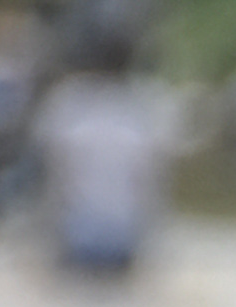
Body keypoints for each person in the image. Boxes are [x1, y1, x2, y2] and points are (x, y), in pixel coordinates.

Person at [26, 26, 178, 279]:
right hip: (126, 240)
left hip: (76, 238)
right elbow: (153, 182)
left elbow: (53, 177)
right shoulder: (145, 104)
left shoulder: (67, 102)